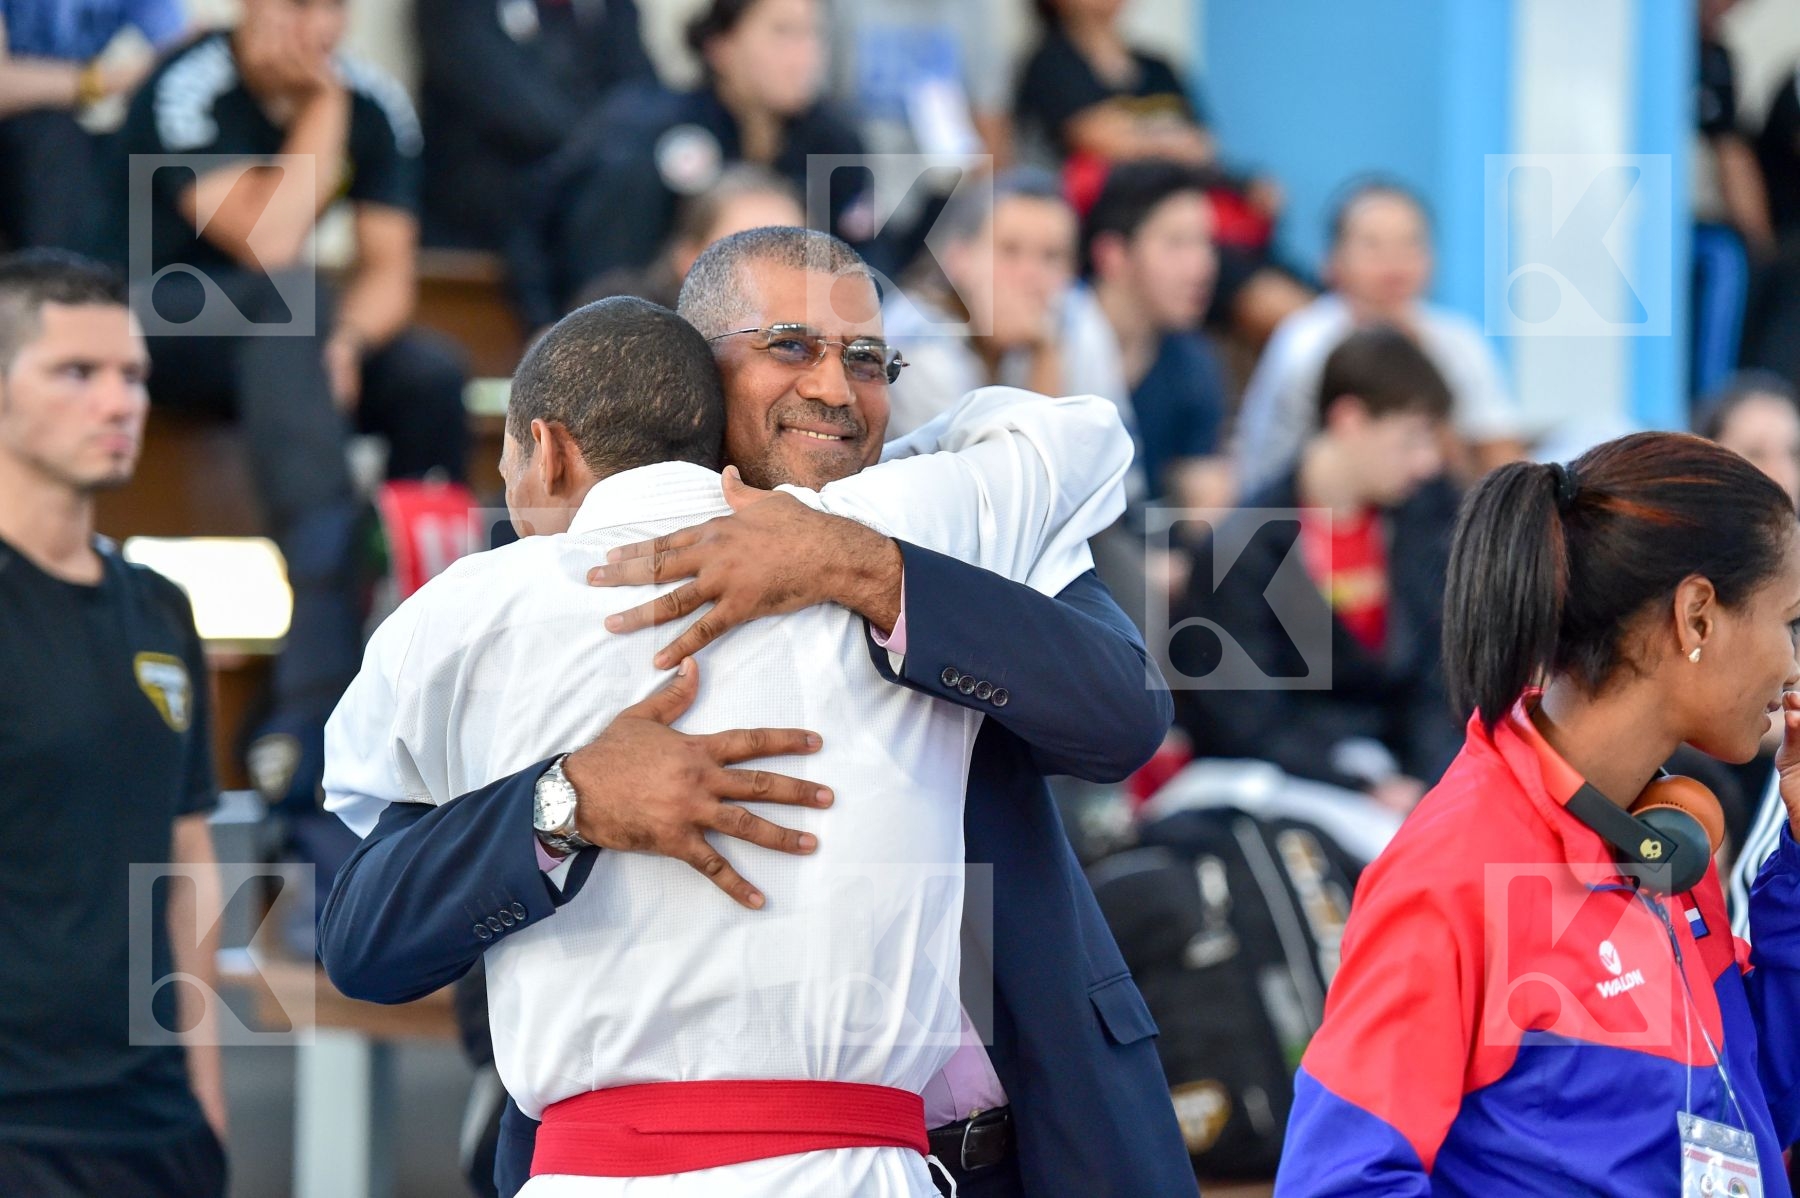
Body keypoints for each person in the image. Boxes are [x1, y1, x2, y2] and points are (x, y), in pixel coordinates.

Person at [321, 227, 1197, 1198]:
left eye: (866, 359)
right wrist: (565, 803)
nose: (834, 387)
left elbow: (1122, 711)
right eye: (791, 345)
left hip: (1029, 1144)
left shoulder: (960, 517)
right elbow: (367, 930)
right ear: (698, 369)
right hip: (653, 1145)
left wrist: (863, 569)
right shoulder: (550, 591)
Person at [1277, 431, 1800, 1195]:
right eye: (1788, 622)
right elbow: (1338, 1182)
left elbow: (1759, 1104)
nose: (1793, 664)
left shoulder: (1660, 839)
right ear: (1696, 617)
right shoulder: (1453, 869)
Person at [115, 0, 470, 813]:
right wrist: (322, 108)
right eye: (294, 5)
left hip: (287, 338)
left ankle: (425, 626)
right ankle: (320, 635)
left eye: (332, 7)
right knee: (290, 302)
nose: (315, 26)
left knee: (428, 375)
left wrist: (343, 345)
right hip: (150, 321)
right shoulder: (191, 83)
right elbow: (269, 241)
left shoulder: (378, 101)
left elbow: (390, 273)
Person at [0, 251, 225, 1195]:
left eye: (132, 375)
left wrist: (209, 1110)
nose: (119, 402)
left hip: (156, 1126)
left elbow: (187, 865)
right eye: (76, 373)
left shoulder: (163, 609)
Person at [1171, 326, 1462, 813]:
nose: (1426, 463)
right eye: (1411, 439)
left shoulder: (1424, 521)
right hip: (1293, 787)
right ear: (1349, 419)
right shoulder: (1244, 550)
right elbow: (1245, 721)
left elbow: (1442, 684)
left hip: (1404, 780)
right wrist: (1363, 790)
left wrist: (1428, 786)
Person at [518, 0, 865, 326]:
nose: (805, 54)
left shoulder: (834, 143)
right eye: (783, 32)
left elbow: (860, 263)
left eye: (815, 34)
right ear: (720, 46)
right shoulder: (650, 135)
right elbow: (603, 270)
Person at [1234, 180, 1528, 497]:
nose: (1393, 261)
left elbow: (1502, 457)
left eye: (1410, 243)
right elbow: (1276, 469)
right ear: (1331, 262)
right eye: (1372, 244)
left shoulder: (1459, 339)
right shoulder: (1304, 342)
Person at [884, 168, 1122, 439]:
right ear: (958, 257)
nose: (1031, 275)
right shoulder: (917, 337)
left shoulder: (1077, 316)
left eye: (1052, 256)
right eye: (1010, 250)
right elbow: (982, 475)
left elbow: (1108, 453)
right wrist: (1044, 356)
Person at [413, 0, 654, 253]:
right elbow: (519, 112)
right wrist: (602, 143)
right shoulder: (457, 8)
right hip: (493, 196)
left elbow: (643, 95)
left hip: (589, 180)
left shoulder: (614, 8)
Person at [1083, 158, 1233, 510]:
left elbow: (1203, 494)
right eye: (1177, 243)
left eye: (1206, 244)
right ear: (1113, 254)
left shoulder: (1195, 363)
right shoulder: (1054, 339)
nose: (1203, 267)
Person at [0, 0, 185, 253]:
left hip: (63, 131)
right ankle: (57, 279)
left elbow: (184, 54)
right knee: (50, 135)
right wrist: (100, 81)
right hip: (32, 134)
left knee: (150, 149)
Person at [572, 165, 805, 312]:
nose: (775, 268)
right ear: (690, 259)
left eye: (792, 252)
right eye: (749, 249)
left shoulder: (823, 340)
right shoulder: (619, 315)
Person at [1692, 0, 1771, 398]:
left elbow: (1730, 151)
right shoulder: (1648, 39)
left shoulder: (1716, 59)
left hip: (1694, 224)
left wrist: (1761, 244)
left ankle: (1714, 404)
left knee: (1729, 255)